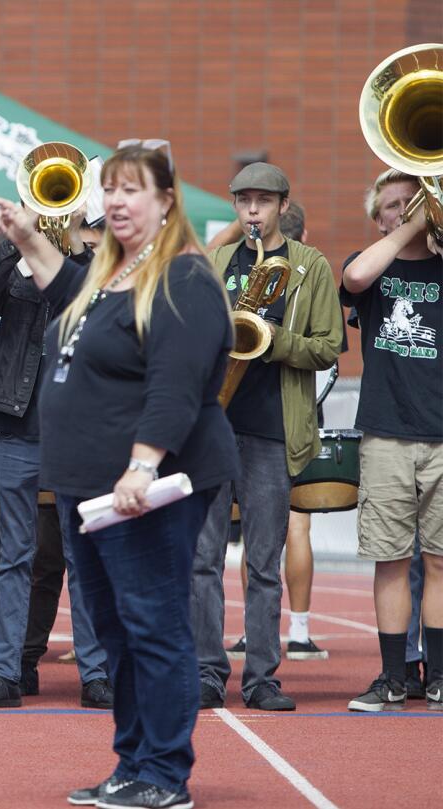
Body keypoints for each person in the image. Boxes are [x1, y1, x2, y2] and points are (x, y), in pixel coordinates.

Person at [0, 142, 238, 809]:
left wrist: (143, 462)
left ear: (166, 201)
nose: (117, 201)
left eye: (132, 189)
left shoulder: (183, 277)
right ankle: (133, 760)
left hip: (144, 488)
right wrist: (23, 239)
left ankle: (164, 772)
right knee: (115, 627)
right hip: (90, 489)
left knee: (153, 623)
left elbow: (176, 385)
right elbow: (69, 295)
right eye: (110, 189)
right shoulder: (112, 273)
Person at [189, 163, 343, 713]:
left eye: (263, 201)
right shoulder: (218, 261)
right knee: (202, 558)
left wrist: (272, 340)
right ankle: (208, 671)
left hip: (272, 428)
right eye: (243, 201)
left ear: (282, 205)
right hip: (213, 425)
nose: (252, 210)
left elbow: (328, 347)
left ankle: (260, 677)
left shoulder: (310, 266)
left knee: (262, 562)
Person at [0, 212, 112, 711]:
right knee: (15, 555)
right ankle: (6, 673)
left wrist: (66, 245)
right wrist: (13, 242)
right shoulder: (14, 265)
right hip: (18, 422)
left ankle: (96, 673)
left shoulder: (94, 265)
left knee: (82, 554)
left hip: (76, 427)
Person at [340, 169, 442, 713]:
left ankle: (440, 674)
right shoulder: (372, 265)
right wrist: (406, 228)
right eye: (391, 206)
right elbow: (355, 277)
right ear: (377, 218)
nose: (403, 210)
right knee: (391, 560)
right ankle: (393, 676)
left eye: (413, 201)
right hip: (387, 431)